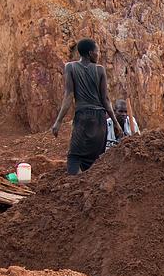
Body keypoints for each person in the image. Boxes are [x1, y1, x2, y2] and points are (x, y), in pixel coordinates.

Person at [50, 38, 123, 174]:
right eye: (97, 52)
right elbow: (106, 100)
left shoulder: (70, 67)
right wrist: (116, 124)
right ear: (90, 53)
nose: (98, 54)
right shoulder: (100, 70)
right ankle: (88, 188)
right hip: (100, 120)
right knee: (95, 158)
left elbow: (68, 96)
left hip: (83, 118)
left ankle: (75, 186)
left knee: (74, 156)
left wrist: (58, 122)